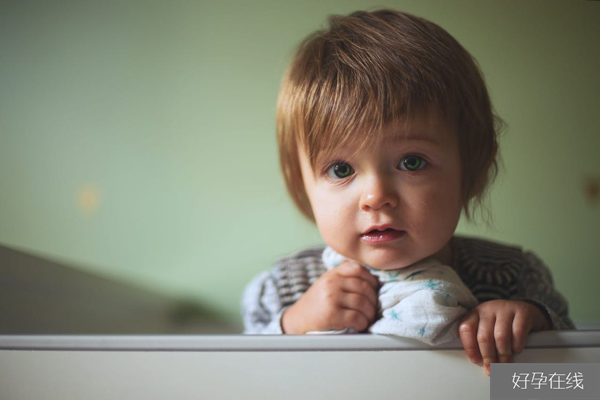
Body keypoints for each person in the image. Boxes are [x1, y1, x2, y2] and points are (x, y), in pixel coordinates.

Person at [241, 9, 574, 376]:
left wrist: (532, 328)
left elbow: (575, 384)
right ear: (300, 181)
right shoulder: (284, 288)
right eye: (341, 170)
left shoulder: (512, 277)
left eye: (412, 162)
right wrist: (292, 326)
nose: (376, 197)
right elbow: (245, 379)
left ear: (473, 167)